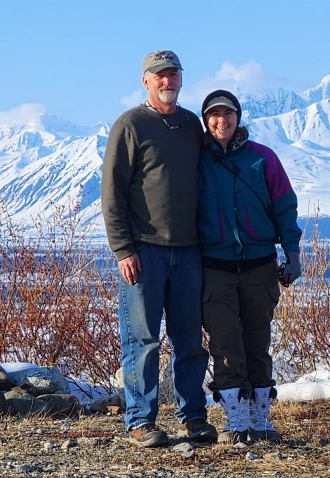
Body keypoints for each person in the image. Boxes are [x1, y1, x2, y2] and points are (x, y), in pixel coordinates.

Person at [101, 49, 218, 447]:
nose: (167, 81)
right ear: (146, 81)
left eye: (173, 75)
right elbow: (112, 193)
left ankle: (193, 418)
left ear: (181, 80)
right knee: (143, 341)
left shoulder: (190, 125)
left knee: (189, 341)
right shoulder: (130, 125)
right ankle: (139, 421)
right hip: (144, 252)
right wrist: (123, 249)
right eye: (159, 75)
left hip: (188, 251)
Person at [196, 89, 303, 444]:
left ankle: (261, 419)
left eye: (228, 114)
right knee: (225, 345)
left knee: (258, 342)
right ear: (205, 119)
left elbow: (285, 206)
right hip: (215, 267)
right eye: (214, 114)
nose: (221, 120)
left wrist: (293, 254)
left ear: (238, 118)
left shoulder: (263, 159)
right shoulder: (196, 161)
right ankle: (236, 420)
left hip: (260, 265)